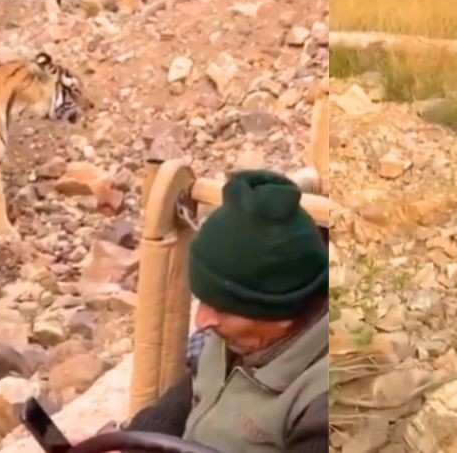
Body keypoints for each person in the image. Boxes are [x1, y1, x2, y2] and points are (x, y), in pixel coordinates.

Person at [120, 169, 329, 452]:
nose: (202, 320)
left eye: (224, 308)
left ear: (282, 315)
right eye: (204, 300)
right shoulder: (236, 338)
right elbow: (194, 393)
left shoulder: (325, 407)